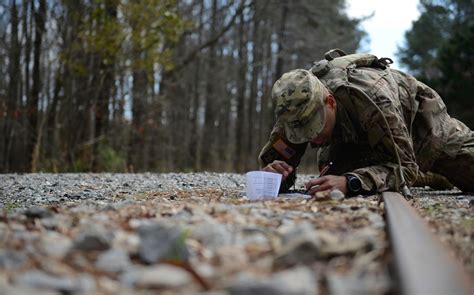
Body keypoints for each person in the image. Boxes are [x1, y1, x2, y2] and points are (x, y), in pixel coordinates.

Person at [258, 49, 473, 197]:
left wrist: (351, 183)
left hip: (424, 135)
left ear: (330, 102)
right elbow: (277, 161)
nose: (311, 138)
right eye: (302, 131)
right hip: (363, 142)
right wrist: (274, 174)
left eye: (315, 126)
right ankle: (427, 177)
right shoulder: (293, 108)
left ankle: (430, 172)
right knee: (332, 171)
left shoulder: (372, 98)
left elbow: (406, 168)